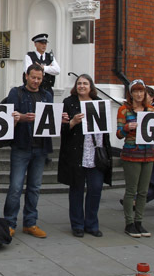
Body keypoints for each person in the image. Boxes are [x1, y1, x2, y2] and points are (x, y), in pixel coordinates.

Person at [3, 64, 62, 238]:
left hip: (41, 147)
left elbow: (50, 119)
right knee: (15, 187)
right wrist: (21, 118)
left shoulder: (47, 95)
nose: (36, 81)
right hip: (21, 145)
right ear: (26, 76)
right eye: (33, 77)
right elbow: (8, 115)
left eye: (39, 78)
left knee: (35, 187)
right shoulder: (16, 92)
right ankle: (9, 223)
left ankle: (30, 223)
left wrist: (60, 119)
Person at [58, 74, 111, 238]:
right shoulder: (69, 102)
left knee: (95, 189)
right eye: (79, 83)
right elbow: (63, 130)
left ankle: (92, 224)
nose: (81, 86)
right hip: (76, 153)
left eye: (85, 83)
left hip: (95, 153)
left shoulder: (98, 102)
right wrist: (73, 122)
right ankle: (77, 225)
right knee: (76, 190)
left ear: (91, 87)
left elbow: (105, 129)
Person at [116, 79, 154, 238]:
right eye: (135, 91)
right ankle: (129, 223)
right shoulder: (124, 110)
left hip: (148, 153)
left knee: (143, 191)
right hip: (131, 153)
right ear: (130, 93)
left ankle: (139, 222)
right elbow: (118, 133)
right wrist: (126, 128)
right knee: (131, 190)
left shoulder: (150, 109)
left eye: (141, 91)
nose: (138, 94)